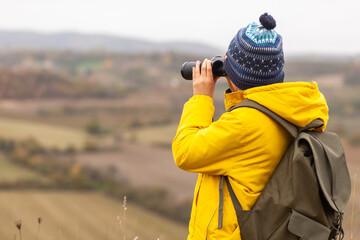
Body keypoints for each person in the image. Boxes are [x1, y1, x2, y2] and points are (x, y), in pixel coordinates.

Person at [172, 13, 329, 240]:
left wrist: (201, 98)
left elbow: (185, 152)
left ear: (235, 74)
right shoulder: (290, 111)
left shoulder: (246, 123)